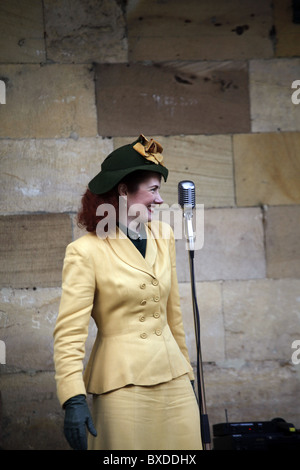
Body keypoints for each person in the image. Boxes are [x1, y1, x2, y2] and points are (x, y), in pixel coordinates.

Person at [53, 134, 202, 450]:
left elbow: (172, 316)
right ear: (123, 190)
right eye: (153, 190)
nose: (160, 200)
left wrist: (188, 374)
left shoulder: (164, 234)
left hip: (174, 381)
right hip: (122, 386)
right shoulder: (85, 251)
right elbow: (69, 333)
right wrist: (72, 397)